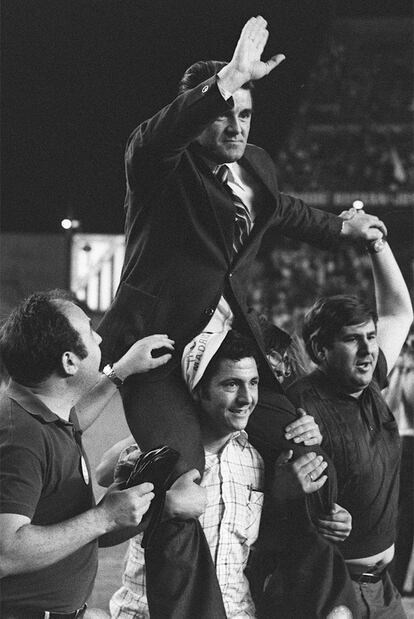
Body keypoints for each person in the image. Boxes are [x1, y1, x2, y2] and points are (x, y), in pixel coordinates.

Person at [97, 16, 387, 618]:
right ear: (197, 115)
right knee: (182, 490)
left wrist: (343, 228)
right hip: (156, 349)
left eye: (245, 114)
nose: (234, 126)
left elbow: (284, 212)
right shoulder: (161, 169)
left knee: (306, 443)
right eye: (222, 112)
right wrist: (227, 78)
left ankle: (325, 604)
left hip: (229, 343)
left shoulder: (257, 167)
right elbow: (150, 139)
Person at [97, 331, 350, 618]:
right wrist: (163, 507)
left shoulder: (257, 459)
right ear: (198, 391)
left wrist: (314, 510)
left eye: (253, 383)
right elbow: (101, 533)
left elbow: (263, 546)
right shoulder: (155, 454)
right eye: (231, 384)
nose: (246, 398)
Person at [0, 289, 175, 619]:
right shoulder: (21, 436)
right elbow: (5, 553)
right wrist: (104, 517)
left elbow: (76, 414)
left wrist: (121, 370)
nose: (99, 336)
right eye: (90, 332)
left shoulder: (42, 413)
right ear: (69, 361)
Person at [286, 230, 413, 618]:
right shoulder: (301, 403)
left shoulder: (371, 381)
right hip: (331, 592)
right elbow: (274, 490)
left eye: (371, 337)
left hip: (383, 590)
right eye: (352, 340)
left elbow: (399, 312)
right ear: (321, 350)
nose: (368, 349)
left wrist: (377, 245)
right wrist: (312, 517)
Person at [384, 330, 414, 594]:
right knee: (396, 514)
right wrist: (401, 371)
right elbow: (389, 409)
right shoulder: (399, 367)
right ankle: (393, 578)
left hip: (411, 440)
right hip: (399, 441)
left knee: (408, 516)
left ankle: (400, 578)